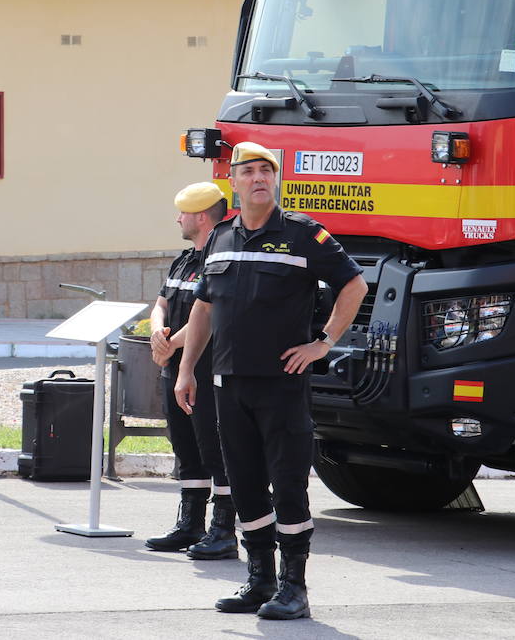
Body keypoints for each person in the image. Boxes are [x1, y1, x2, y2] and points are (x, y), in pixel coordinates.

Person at [174, 142, 367, 620]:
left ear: (275, 180)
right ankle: (259, 579)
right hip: (227, 384)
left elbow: (354, 284)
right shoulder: (219, 237)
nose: (259, 178)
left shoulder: (303, 234)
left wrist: (323, 341)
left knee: (286, 484)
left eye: (266, 170)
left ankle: (294, 587)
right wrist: (184, 369)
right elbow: (204, 308)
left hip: (281, 384)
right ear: (234, 183)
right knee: (243, 484)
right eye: (249, 171)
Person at [145, 181, 235, 560]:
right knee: (186, 448)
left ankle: (223, 531)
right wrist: (155, 331)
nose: (177, 219)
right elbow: (161, 302)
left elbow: (209, 316)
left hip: (206, 371)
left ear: (200, 217)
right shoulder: (183, 259)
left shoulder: (221, 259)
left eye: (182, 213)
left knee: (216, 451)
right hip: (175, 370)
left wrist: (172, 344)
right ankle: (190, 524)